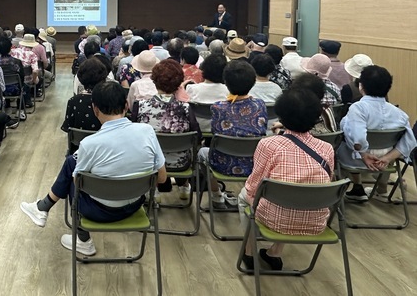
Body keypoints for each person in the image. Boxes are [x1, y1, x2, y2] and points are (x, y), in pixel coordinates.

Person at [20, 81, 167, 256]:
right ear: (127, 105)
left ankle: (82, 239)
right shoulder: (147, 131)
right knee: (73, 166)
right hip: (135, 206)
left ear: (94, 109)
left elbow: (78, 184)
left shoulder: (89, 144)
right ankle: (42, 208)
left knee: (72, 171)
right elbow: (162, 178)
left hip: (97, 212)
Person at [238, 88, 335, 271]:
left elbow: (253, 186)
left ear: (281, 115)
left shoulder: (269, 144)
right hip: (316, 221)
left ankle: (249, 252)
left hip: (274, 219)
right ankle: (275, 253)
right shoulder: (327, 148)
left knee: (244, 196)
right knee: (298, 191)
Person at [339, 65, 417, 202]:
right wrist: (388, 158)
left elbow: (358, 140)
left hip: (356, 160)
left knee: (335, 148)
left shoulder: (357, 108)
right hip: (385, 162)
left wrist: (364, 154)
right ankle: (382, 189)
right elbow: (410, 141)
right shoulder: (400, 114)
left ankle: (350, 191)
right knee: (384, 148)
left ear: (361, 86)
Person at [198, 60, 268, 209]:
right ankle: (247, 192)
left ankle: (216, 196)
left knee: (201, 152)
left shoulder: (218, 107)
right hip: (253, 163)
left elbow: (215, 133)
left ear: (225, 82)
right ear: (253, 82)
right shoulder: (260, 105)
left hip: (221, 164)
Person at [133, 58, 201, 200]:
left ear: (154, 80)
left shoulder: (139, 106)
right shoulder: (186, 108)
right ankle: (184, 186)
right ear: (178, 83)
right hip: (180, 163)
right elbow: (197, 137)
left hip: (149, 163)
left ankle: (153, 189)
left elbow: (132, 135)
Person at [61, 58, 110, 142]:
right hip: (105, 147)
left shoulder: (73, 101)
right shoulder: (110, 98)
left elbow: (68, 127)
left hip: (79, 147)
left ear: (81, 78)